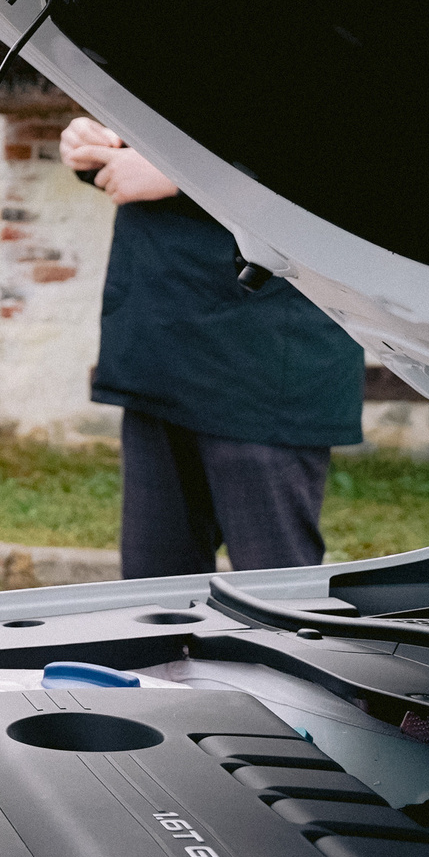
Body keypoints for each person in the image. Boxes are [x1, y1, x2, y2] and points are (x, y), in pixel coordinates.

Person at [61, 117, 363, 575]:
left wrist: (179, 178)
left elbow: (351, 163)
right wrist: (98, 145)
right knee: (154, 603)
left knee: (276, 598)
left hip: (267, 359)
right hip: (158, 340)